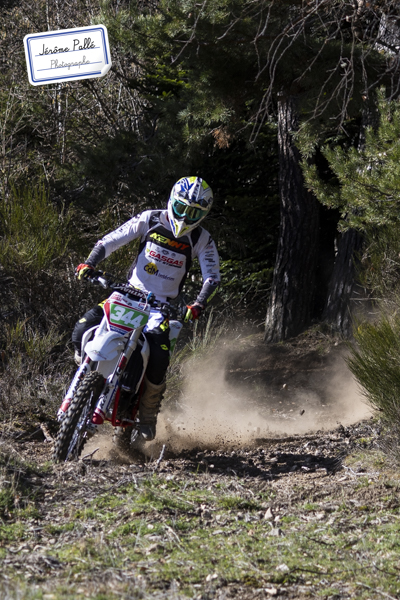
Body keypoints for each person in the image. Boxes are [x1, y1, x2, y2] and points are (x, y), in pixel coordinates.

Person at [58, 176, 220, 441]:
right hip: (126, 294)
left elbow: (212, 277)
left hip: (161, 307)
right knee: (81, 330)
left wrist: (198, 304)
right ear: (172, 201)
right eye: (181, 208)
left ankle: (148, 412)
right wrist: (90, 263)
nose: (185, 217)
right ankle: (85, 381)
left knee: (159, 357)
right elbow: (112, 240)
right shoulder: (150, 219)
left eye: (193, 213)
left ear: (203, 214)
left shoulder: (202, 239)